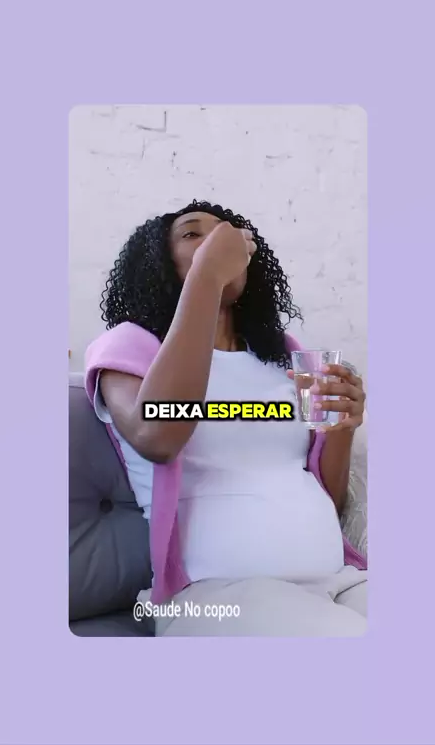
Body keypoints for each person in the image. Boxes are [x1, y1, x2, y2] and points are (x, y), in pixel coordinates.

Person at [85, 199, 367, 636]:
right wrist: (207, 276)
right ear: (158, 262)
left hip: (337, 580)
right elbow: (156, 433)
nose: (218, 240)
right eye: (193, 234)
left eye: (226, 233)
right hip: (215, 595)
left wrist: (343, 428)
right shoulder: (130, 347)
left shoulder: (284, 355)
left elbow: (326, 496)